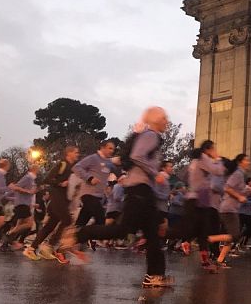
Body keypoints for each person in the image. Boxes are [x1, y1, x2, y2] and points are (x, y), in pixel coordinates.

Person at [61, 107, 174, 288]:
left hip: (142, 190)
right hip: (139, 190)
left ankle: (155, 275)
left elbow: (129, 158)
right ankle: (79, 234)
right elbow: (137, 156)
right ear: (156, 120)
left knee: (151, 234)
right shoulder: (151, 135)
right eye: (165, 118)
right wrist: (156, 173)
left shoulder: (148, 135)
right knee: (124, 230)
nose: (167, 121)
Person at [26, 146, 79, 262]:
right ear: (69, 153)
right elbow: (47, 179)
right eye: (75, 152)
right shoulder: (62, 164)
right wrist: (60, 183)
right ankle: (49, 246)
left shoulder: (73, 168)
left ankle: (32, 248)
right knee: (67, 221)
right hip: (57, 199)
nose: (77, 154)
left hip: (64, 200)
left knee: (50, 226)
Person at [73, 140, 116, 236]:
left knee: (80, 223)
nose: (112, 151)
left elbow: (115, 165)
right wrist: (89, 178)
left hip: (98, 197)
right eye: (110, 148)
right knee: (100, 220)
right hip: (88, 195)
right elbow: (77, 167)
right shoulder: (93, 158)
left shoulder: (108, 162)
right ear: (102, 147)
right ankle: (83, 238)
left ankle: (66, 244)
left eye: (113, 149)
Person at [216, 153, 251, 266]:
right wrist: (239, 197)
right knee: (235, 235)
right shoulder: (238, 174)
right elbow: (227, 188)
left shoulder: (240, 175)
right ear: (240, 162)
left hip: (232, 208)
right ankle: (209, 238)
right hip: (228, 208)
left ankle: (220, 260)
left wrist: (249, 190)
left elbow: (238, 189)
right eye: (246, 160)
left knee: (232, 236)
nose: (249, 162)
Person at [5, 163, 40, 250]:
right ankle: (9, 233)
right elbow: (16, 187)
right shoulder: (27, 178)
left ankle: (6, 243)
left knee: (19, 225)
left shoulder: (32, 180)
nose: (38, 171)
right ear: (34, 170)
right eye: (37, 170)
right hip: (21, 204)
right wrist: (28, 191)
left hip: (25, 204)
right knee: (29, 224)